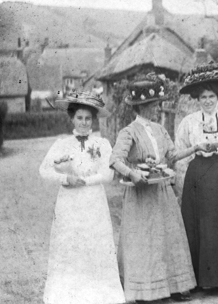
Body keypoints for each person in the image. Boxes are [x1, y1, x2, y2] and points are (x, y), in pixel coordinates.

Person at [109, 74, 208, 302]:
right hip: (141, 194)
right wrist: (133, 174)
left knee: (168, 237)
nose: (157, 110)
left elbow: (172, 156)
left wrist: (196, 147)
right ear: (142, 107)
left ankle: (172, 287)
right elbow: (115, 160)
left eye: (157, 105)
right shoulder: (129, 132)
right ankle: (147, 291)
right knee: (146, 240)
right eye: (154, 106)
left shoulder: (160, 130)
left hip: (162, 191)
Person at [39, 92, 125, 304]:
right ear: (72, 118)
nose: (84, 123)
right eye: (80, 118)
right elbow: (44, 170)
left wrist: (85, 182)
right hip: (69, 202)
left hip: (93, 200)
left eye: (88, 118)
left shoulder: (102, 144)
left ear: (93, 120)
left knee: (95, 244)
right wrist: (66, 179)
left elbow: (108, 174)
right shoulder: (62, 143)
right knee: (70, 244)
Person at [176, 62, 218, 291]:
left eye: (212, 96)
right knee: (199, 226)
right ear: (198, 98)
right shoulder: (188, 122)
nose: (208, 100)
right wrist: (182, 184)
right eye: (203, 96)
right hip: (197, 176)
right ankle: (199, 280)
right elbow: (181, 154)